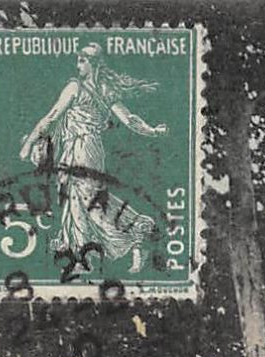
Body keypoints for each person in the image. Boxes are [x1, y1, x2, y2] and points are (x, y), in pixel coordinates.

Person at [17, 43, 167, 272]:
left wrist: (28, 144)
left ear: (93, 62)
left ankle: (131, 232)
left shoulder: (75, 88)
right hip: (86, 149)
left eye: (82, 60)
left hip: (82, 148)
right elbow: (130, 120)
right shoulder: (104, 90)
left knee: (85, 198)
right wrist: (152, 130)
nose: (78, 65)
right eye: (78, 60)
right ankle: (92, 251)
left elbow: (51, 118)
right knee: (80, 197)